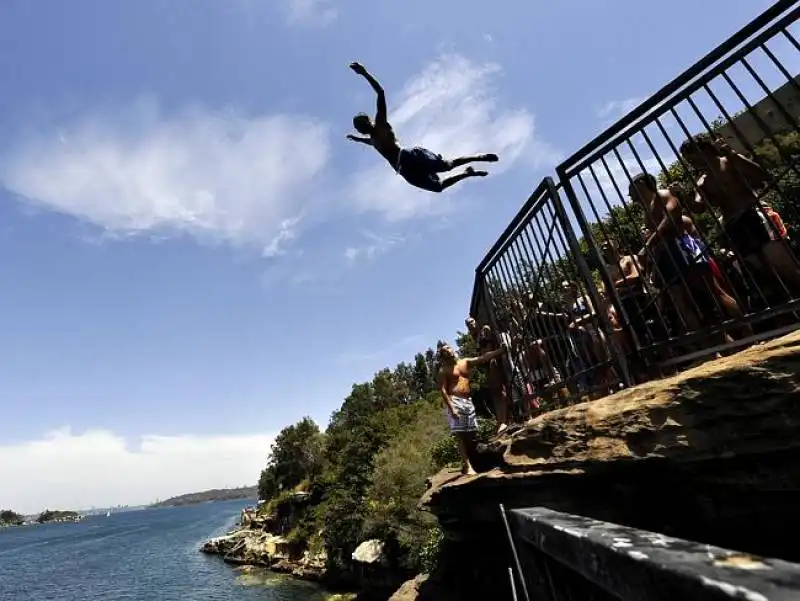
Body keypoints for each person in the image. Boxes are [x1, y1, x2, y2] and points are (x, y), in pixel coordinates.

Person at [346, 61, 500, 193]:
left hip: (408, 156)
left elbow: (380, 92)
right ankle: (467, 173)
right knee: (438, 187)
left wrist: (364, 73)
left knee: (446, 166)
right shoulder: (373, 140)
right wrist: (356, 139)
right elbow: (368, 142)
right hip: (404, 170)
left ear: (367, 122)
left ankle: (478, 156)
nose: (362, 131)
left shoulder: (380, 123)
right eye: (360, 130)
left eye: (361, 127)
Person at [680, 135, 800, 294]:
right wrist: (684, 197)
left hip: (754, 215)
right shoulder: (702, 181)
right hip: (734, 226)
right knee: (761, 270)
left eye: (692, 156)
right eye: (688, 159)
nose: (691, 162)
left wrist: (733, 155)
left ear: (704, 150)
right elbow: (699, 207)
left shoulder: (729, 160)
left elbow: (761, 175)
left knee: (783, 262)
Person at [437, 341, 507, 475]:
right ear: (443, 356)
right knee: (460, 435)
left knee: (471, 434)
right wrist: (452, 409)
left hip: (468, 401)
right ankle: (467, 465)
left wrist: (500, 351)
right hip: (455, 401)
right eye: (444, 351)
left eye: (448, 349)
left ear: (452, 349)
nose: (447, 351)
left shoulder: (464, 362)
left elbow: (482, 358)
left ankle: (474, 462)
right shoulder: (444, 370)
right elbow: (443, 390)